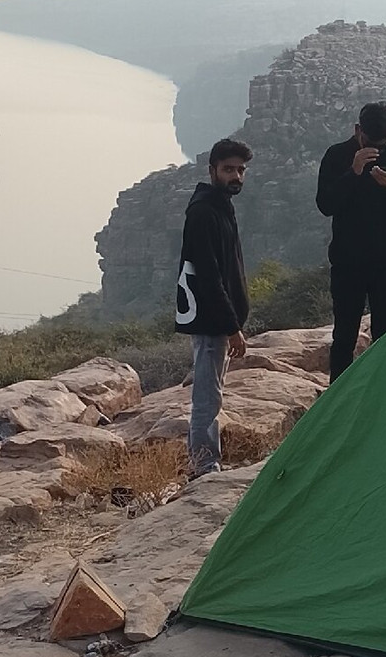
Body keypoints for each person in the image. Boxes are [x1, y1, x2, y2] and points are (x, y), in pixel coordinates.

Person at [316, 101, 386, 382]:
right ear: (357, 131)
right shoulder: (337, 155)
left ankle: (382, 394)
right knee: (343, 337)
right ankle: (337, 402)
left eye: (384, 142)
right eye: (372, 142)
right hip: (347, 264)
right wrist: (352, 173)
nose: (379, 148)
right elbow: (325, 204)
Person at [175, 138, 252, 477]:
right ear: (212, 171)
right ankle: (203, 466)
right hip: (210, 320)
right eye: (228, 169)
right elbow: (208, 276)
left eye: (240, 170)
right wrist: (232, 327)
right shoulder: (204, 212)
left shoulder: (220, 205)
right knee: (207, 398)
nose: (236, 176)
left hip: (218, 319)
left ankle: (205, 460)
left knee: (212, 392)